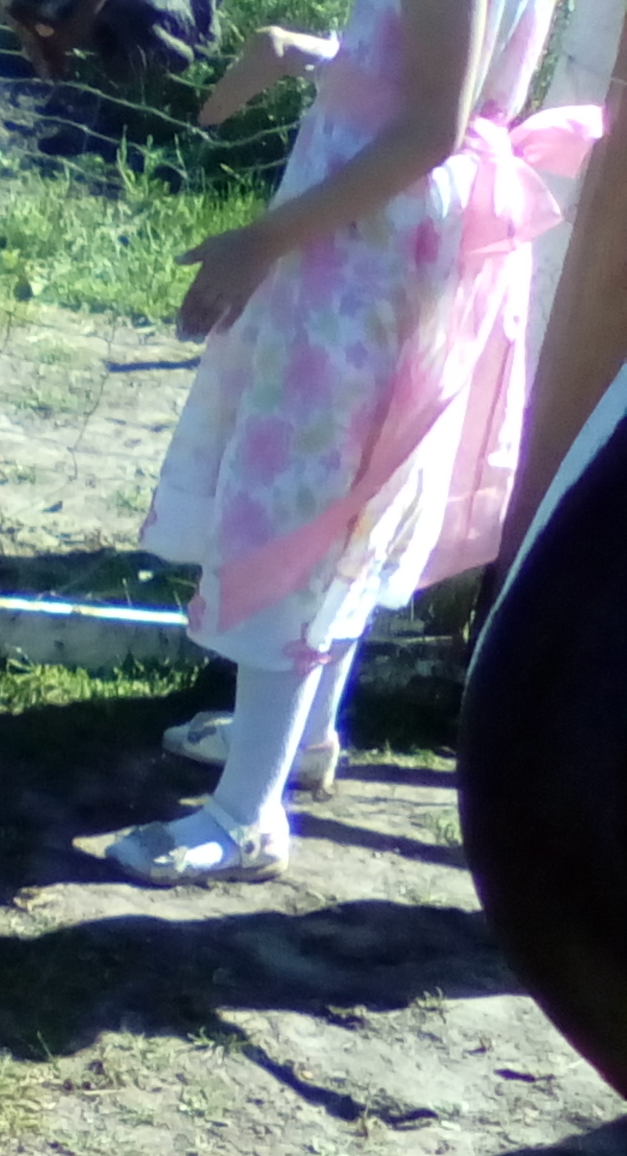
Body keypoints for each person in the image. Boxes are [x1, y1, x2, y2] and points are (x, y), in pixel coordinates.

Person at [107, 0, 599, 884]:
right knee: (347, 489)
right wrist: (313, 51)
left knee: (303, 494)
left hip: (366, 249)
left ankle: (246, 812)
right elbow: (431, 80)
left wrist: (260, 241)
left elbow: (431, 130)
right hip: (376, 236)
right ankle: (300, 740)